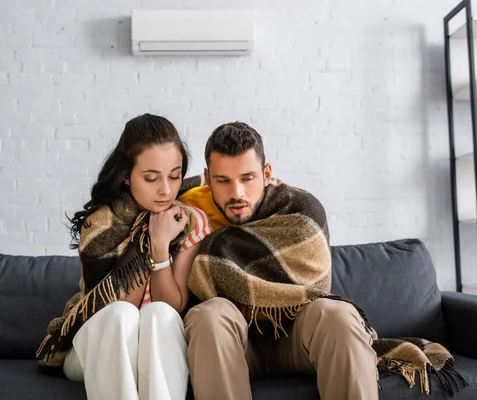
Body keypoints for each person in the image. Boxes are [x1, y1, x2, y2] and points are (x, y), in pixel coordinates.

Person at [177, 121, 379, 400]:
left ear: (267, 173)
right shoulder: (185, 210)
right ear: (208, 178)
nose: (237, 193)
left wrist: (212, 246)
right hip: (233, 342)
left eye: (247, 178)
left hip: (296, 337)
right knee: (209, 315)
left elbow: (314, 287)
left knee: (338, 315)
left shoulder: (299, 210)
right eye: (223, 180)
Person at [36, 114, 212, 400]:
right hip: (95, 343)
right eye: (151, 178)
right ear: (126, 176)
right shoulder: (102, 223)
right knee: (122, 315)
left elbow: (174, 303)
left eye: (174, 175)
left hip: (157, 347)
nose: (166, 189)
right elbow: (116, 303)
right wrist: (148, 238)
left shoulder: (190, 221)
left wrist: (159, 243)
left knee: (161, 313)